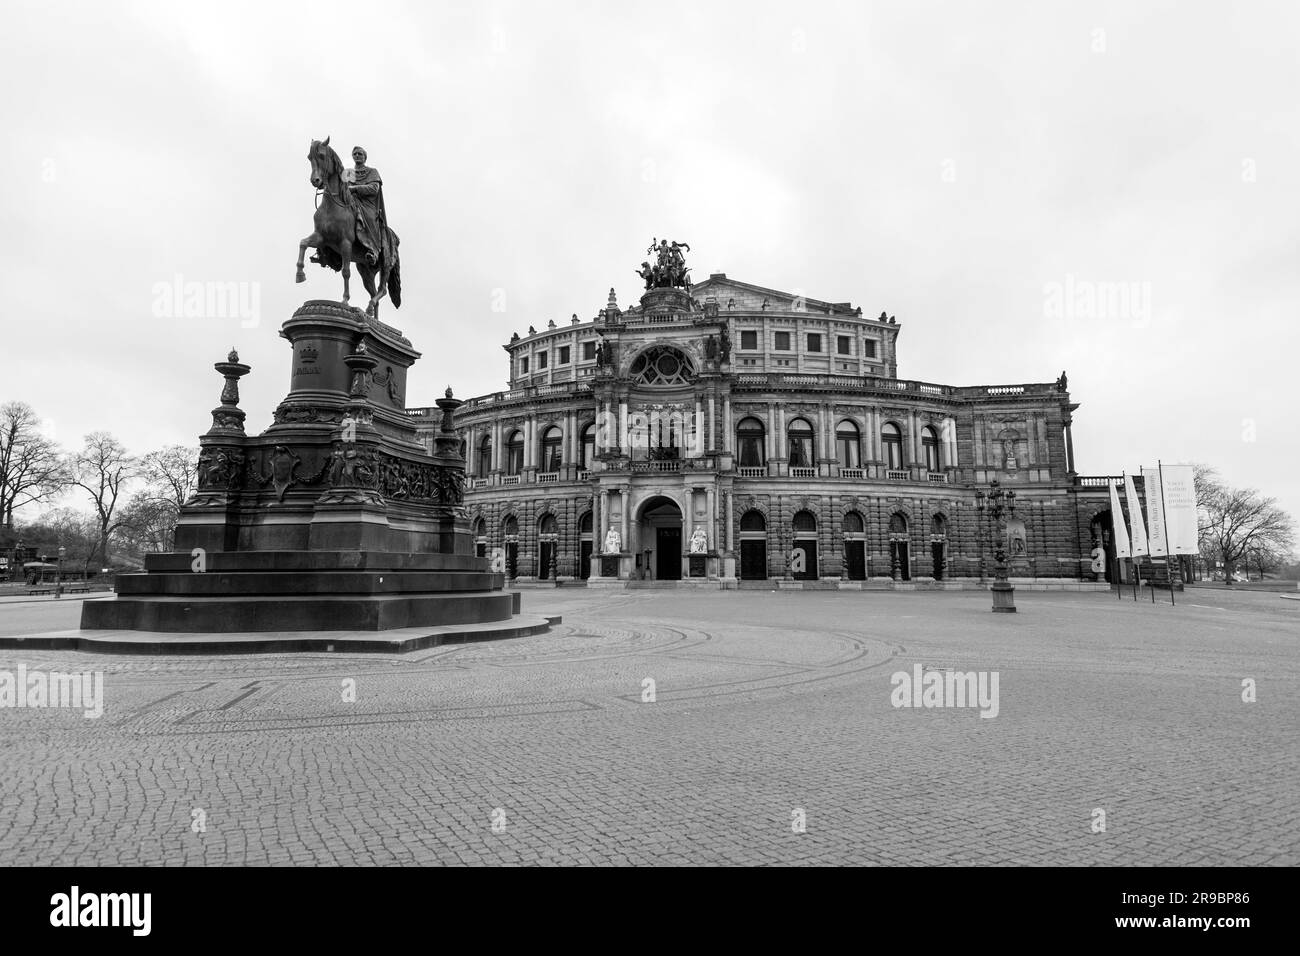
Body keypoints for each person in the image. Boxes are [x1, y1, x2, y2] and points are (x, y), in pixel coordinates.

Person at [347, 146, 387, 266]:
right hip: (350, 201)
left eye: (360, 154)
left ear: (365, 157)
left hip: (367, 204)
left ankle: (373, 249)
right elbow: (341, 187)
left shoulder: (372, 171)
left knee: (369, 218)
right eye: (355, 154)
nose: (357, 155)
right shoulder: (348, 173)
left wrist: (354, 188)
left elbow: (374, 188)